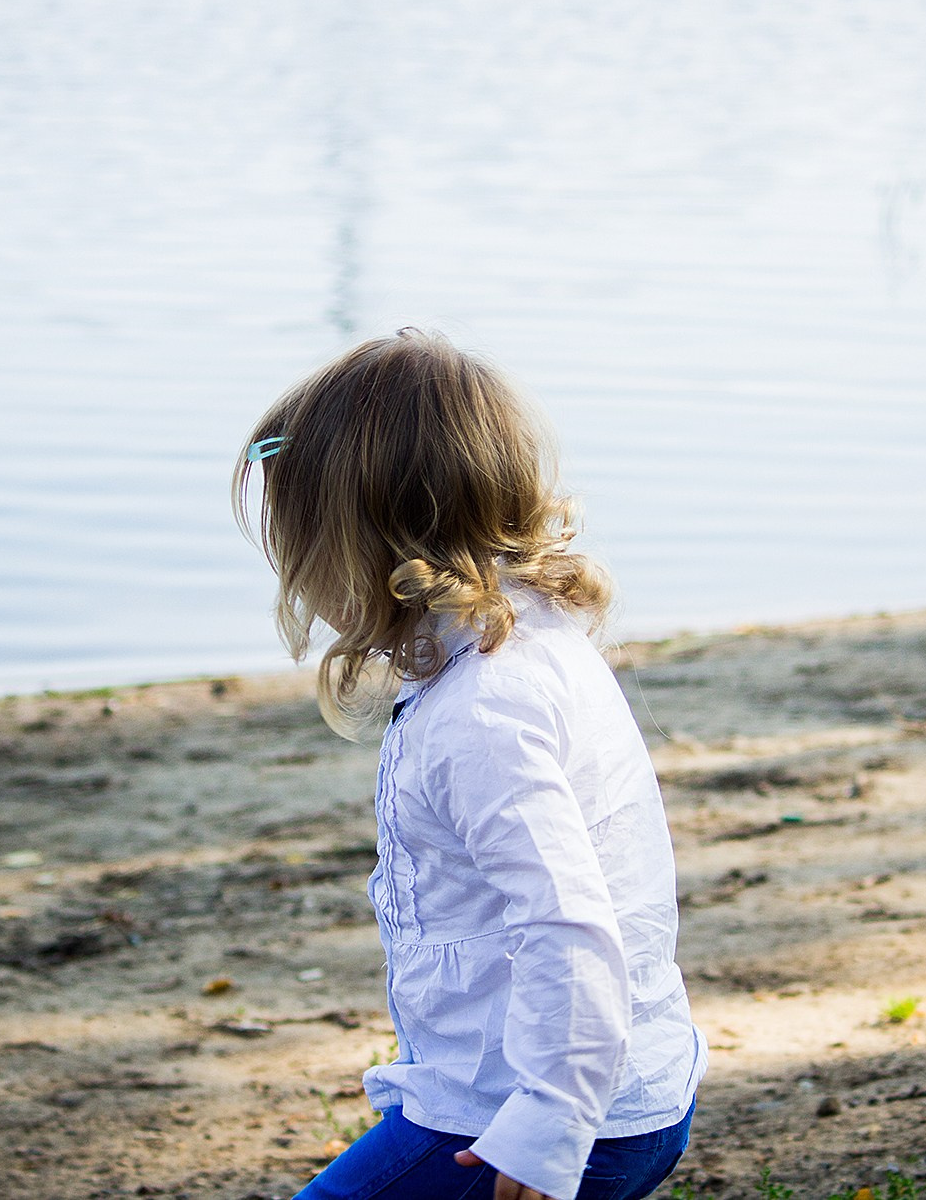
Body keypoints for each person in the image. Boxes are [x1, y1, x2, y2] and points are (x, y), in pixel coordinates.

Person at [234, 329, 705, 1200]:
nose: (298, 577)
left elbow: (568, 924)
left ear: (370, 540)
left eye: (306, 545)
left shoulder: (484, 710)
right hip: (617, 1084)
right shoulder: (528, 638)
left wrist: (547, 1122)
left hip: (527, 1120)